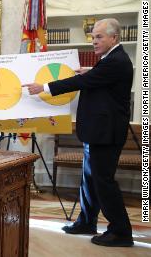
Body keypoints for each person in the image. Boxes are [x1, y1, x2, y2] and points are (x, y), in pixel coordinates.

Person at [24, 18, 134, 247]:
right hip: (97, 132)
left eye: (99, 37)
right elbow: (97, 78)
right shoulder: (110, 60)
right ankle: (87, 221)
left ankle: (121, 231)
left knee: (103, 181)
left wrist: (43, 87)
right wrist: (90, 71)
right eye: (93, 37)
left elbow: (84, 82)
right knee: (91, 180)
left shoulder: (117, 61)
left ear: (114, 37)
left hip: (106, 134)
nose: (93, 41)